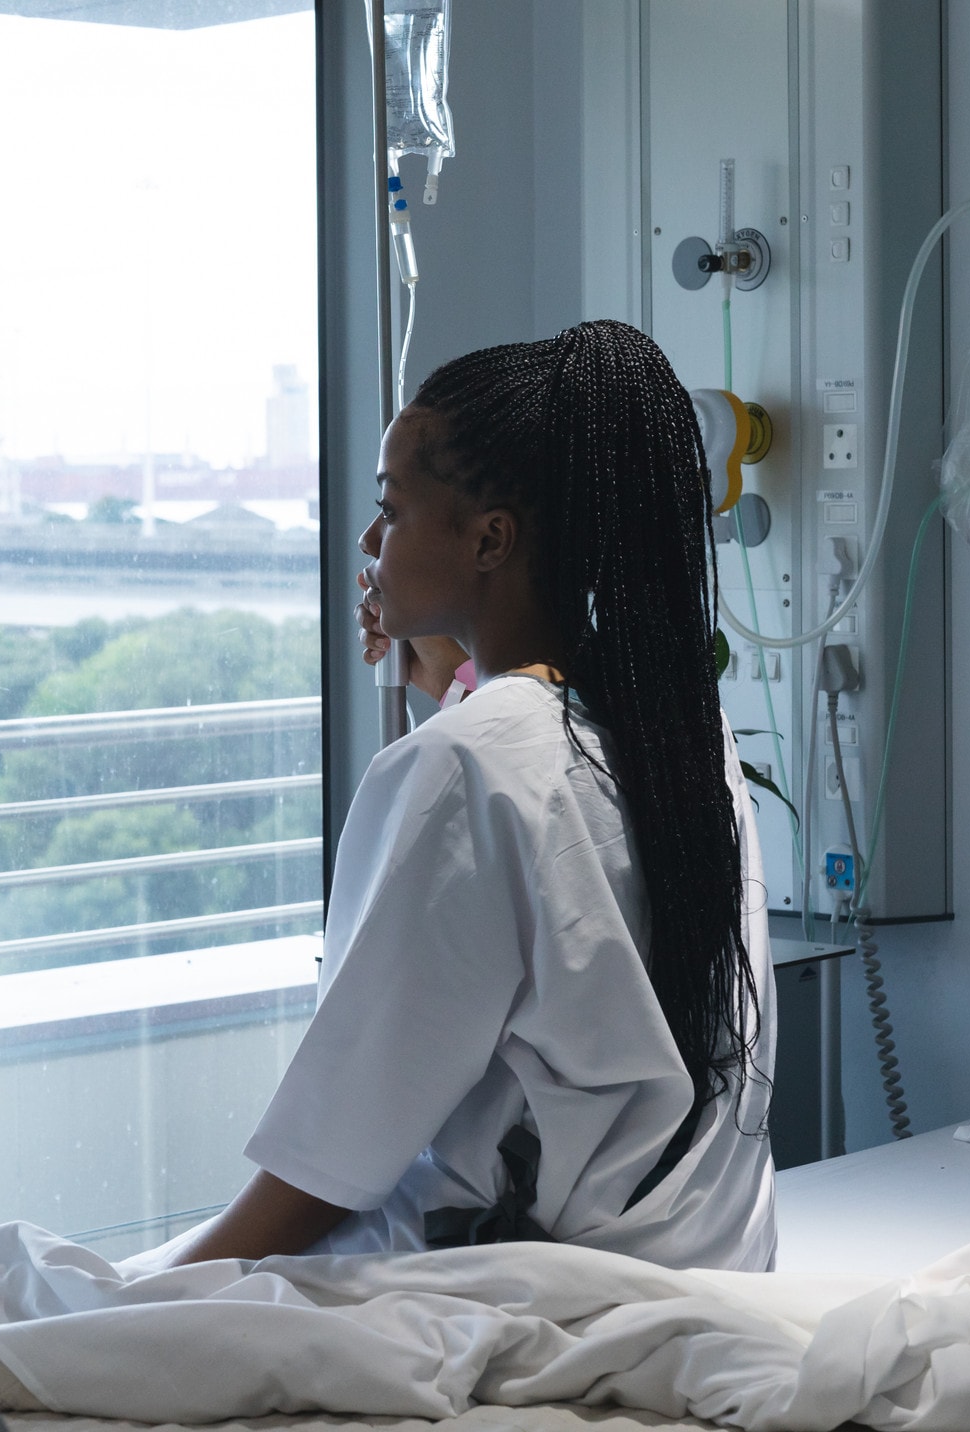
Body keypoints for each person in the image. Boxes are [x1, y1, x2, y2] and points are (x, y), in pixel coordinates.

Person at [167, 319, 776, 1271]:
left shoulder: (467, 766)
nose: (370, 541)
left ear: (491, 538)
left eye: (392, 509)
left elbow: (335, 1160)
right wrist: (462, 680)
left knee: (19, 1292)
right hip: (699, 1265)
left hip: (530, 1288)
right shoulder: (682, 738)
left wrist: (167, 1288)